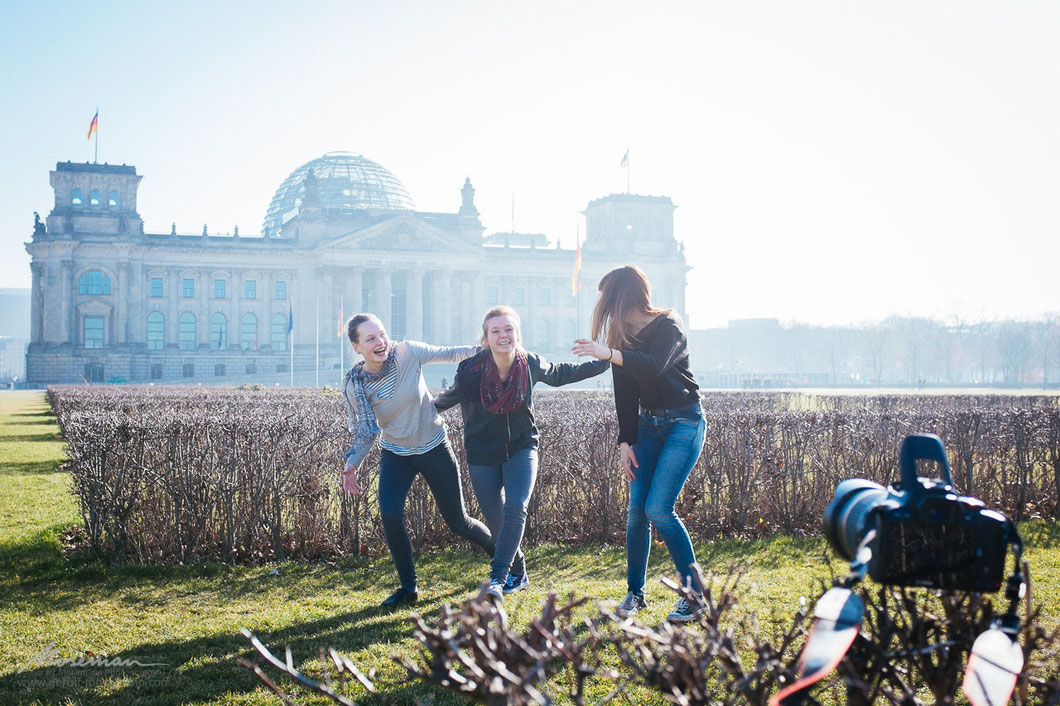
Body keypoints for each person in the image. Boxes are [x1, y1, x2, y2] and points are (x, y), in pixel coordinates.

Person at [436, 306, 609, 601]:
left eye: (509, 330)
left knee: (516, 506)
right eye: (496, 331)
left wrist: (607, 359)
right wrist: (402, 410)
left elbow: (565, 373)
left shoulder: (530, 363)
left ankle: (497, 578)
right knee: (497, 521)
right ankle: (519, 571)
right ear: (486, 338)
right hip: (482, 453)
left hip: (522, 446)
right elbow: (445, 400)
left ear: (517, 334)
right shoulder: (470, 371)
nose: (503, 336)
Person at [572, 265, 705, 622]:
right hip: (647, 427)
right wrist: (625, 441)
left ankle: (695, 595)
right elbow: (625, 393)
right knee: (636, 513)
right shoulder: (620, 338)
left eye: (606, 298)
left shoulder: (669, 325)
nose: (603, 307)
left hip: (684, 423)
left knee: (659, 509)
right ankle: (635, 594)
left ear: (622, 297)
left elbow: (654, 366)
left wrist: (608, 353)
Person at [341, 313, 494, 608]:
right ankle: (408, 588)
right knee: (390, 513)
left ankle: (505, 561)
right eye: (370, 338)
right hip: (397, 454)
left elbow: (451, 353)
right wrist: (352, 463)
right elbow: (366, 430)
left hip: (434, 447)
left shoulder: (407, 352)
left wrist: (492, 349)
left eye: (382, 334)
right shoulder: (355, 385)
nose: (380, 342)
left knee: (459, 522)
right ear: (357, 347)